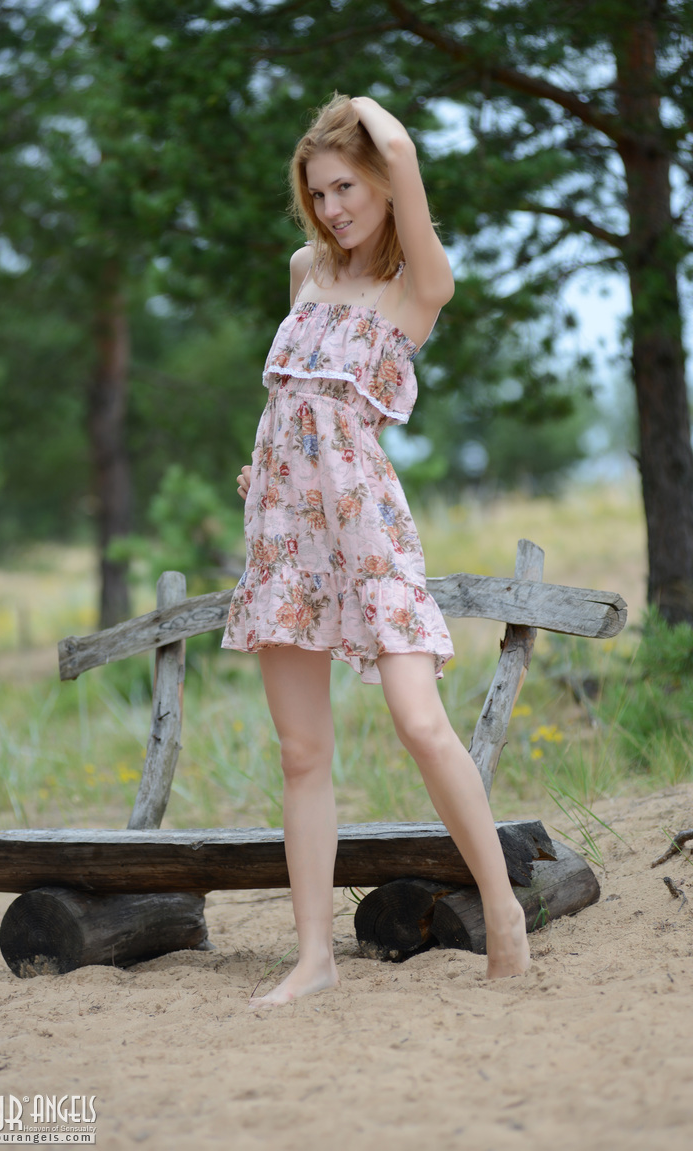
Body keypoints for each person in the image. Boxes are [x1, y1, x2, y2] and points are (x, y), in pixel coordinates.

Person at [222, 94, 530, 1005]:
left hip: (366, 531)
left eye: (346, 187)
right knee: (301, 752)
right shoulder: (304, 271)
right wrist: (262, 469)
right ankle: (314, 957)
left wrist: (353, 106)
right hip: (285, 533)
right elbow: (293, 405)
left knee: (419, 721)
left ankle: (504, 913)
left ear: (384, 184)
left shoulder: (418, 283)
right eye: (317, 193)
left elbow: (396, 143)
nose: (332, 209)